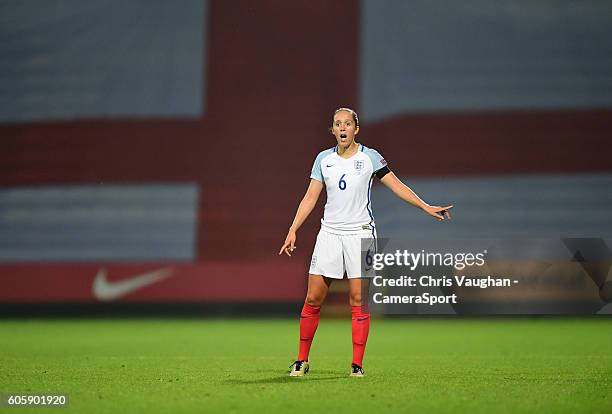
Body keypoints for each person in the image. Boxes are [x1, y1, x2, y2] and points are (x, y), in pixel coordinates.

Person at [279, 107, 452, 377]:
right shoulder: (323, 159)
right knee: (313, 297)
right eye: (338, 124)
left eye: (348, 123)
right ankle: (302, 360)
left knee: (358, 299)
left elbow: (397, 186)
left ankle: (356, 365)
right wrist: (293, 228)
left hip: (361, 234)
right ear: (333, 130)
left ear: (356, 128)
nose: (343, 128)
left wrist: (425, 206)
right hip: (329, 234)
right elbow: (311, 197)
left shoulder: (370, 157)